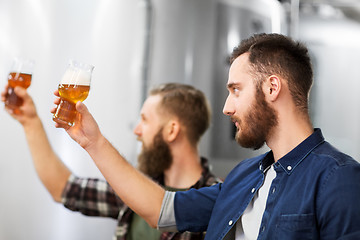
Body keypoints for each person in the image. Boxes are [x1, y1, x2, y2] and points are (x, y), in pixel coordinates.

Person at [52, 33, 360, 239]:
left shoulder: (338, 178)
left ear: (271, 88)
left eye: (236, 90)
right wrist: (93, 142)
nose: (227, 108)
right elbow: (160, 209)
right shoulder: (244, 177)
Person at [1, 82, 221, 240]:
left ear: (172, 130)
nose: (136, 131)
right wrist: (30, 122)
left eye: (144, 120)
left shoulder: (220, 203)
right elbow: (64, 189)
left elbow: (160, 211)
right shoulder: (135, 186)